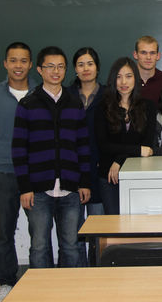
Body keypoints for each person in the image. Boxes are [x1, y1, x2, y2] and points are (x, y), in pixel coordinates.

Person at [12, 46, 91, 269]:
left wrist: (84, 182)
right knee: (39, 246)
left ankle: (68, 287)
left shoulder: (74, 103)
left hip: (71, 188)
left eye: (61, 67)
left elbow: (83, 146)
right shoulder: (27, 104)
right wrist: (25, 187)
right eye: (50, 66)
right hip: (38, 190)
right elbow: (18, 149)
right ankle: (41, 288)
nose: (56, 71)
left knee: (71, 245)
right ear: (39, 69)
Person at [0, 42, 34, 302]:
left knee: (39, 231)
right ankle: (6, 282)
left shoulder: (40, 93)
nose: (18, 66)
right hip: (4, 173)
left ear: (31, 64)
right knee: (4, 231)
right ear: (5, 63)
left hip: (35, 173)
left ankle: (37, 280)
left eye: (23, 60)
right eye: (13, 60)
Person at [95, 57, 156, 214]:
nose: (123, 82)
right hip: (109, 177)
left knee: (138, 223)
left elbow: (148, 145)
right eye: (119, 77)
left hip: (138, 176)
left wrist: (119, 160)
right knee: (114, 223)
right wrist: (136, 150)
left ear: (136, 78)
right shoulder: (102, 107)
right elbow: (103, 145)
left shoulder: (148, 107)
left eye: (128, 76)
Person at [68, 47, 105, 266]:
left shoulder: (108, 95)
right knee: (73, 234)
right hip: (71, 172)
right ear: (75, 68)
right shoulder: (65, 95)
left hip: (99, 171)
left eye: (90, 64)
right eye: (81, 64)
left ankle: (98, 274)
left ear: (97, 67)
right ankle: (78, 274)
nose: (86, 69)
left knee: (98, 232)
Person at [133, 35, 162, 108]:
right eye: (143, 53)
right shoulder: (125, 80)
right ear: (135, 55)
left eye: (152, 53)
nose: (148, 57)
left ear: (158, 56)